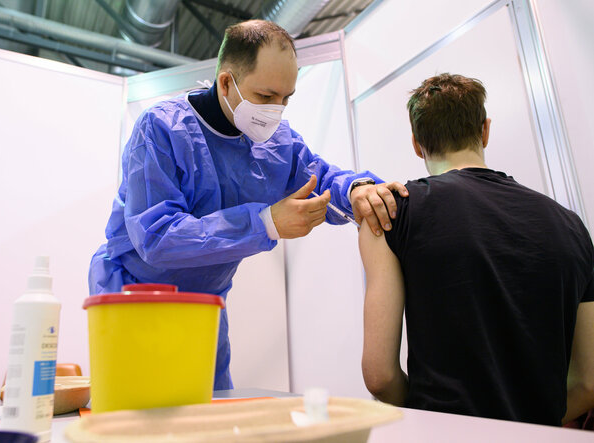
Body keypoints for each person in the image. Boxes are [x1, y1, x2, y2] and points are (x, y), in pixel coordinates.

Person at [88, 20, 407, 390]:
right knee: (136, 419)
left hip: (205, 308)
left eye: (286, 99)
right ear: (226, 83)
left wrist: (356, 189)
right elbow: (157, 237)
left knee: (209, 417)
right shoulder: (161, 130)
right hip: (135, 299)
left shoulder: (276, 142)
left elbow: (318, 175)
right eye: (267, 97)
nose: (277, 110)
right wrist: (266, 223)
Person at [358, 73, 594, 426]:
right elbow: (588, 383)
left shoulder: (391, 212)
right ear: (485, 130)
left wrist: (432, 416)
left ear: (417, 143)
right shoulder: (571, 225)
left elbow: (380, 375)